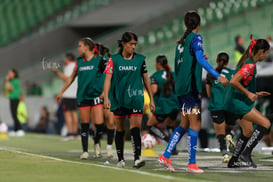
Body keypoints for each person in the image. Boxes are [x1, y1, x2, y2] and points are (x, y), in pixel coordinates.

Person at [158, 11, 228, 174]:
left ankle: (166, 155)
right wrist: (218, 75)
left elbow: (185, 64)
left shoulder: (180, 43)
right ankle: (191, 163)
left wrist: (199, 59)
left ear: (185, 24)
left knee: (184, 123)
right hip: (191, 88)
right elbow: (200, 59)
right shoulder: (196, 38)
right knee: (195, 124)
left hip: (181, 87)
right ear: (199, 23)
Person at [104, 32, 155, 168]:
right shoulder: (113, 60)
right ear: (123, 44)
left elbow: (146, 80)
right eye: (131, 44)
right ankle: (121, 159)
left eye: (135, 44)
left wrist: (151, 100)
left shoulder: (140, 60)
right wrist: (106, 97)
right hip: (119, 99)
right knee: (120, 129)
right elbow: (108, 79)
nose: (133, 47)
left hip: (135, 97)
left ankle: (137, 158)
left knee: (135, 128)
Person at [56, 37, 105, 160]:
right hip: (83, 96)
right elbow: (71, 78)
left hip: (96, 96)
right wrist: (61, 92)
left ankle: (97, 142)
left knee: (99, 124)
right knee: (84, 125)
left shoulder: (100, 60)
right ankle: (85, 151)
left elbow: (109, 76)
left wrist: (105, 92)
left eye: (80, 46)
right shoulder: (79, 62)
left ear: (87, 47)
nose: (78, 48)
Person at [226, 35, 271, 168]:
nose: (267, 55)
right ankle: (246, 154)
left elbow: (241, 83)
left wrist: (255, 93)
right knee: (266, 123)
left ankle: (233, 160)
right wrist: (248, 93)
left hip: (236, 100)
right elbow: (233, 81)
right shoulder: (250, 65)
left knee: (248, 132)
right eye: (267, 52)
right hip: (237, 102)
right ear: (261, 51)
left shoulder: (248, 62)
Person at [206, 52, 236, 163]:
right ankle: (230, 135)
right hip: (230, 106)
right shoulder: (232, 73)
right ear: (227, 62)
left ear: (217, 61)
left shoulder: (211, 74)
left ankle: (225, 154)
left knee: (220, 133)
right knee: (229, 130)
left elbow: (209, 94)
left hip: (216, 105)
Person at [146, 55, 179, 154]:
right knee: (170, 125)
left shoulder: (155, 76)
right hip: (174, 104)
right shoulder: (173, 74)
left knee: (150, 125)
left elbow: (154, 90)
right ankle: (173, 147)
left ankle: (168, 140)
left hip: (163, 106)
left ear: (159, 64)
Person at [51, 53, 79, 140]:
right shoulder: (76, 65)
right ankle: (75, 133)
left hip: (68, 93)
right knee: (74, 113)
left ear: (67, 59)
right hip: (75, 93)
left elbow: (67, 79)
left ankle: (70, 132)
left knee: (67, 113)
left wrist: (57, 72)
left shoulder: (69, 67)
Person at [96, 43, 115, 158]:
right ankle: (97, 144)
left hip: (107, 95)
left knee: (110, 122)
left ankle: (109, 147)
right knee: (99, 124)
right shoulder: (92, 64)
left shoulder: (104, 62)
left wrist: (105, 92)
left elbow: (112, 77)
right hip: (96, 96)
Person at [5, 69, 25, 137]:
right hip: (12, 99)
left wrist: (7, 80)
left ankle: (20, 129)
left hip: (15, 99)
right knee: (13, 114)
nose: (9, 74)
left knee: (14, 114)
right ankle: (16, 130)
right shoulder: (12, 81)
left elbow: (9, 88)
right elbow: (7, 88)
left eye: (10, 73)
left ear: (14, 73)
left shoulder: (16, 80)